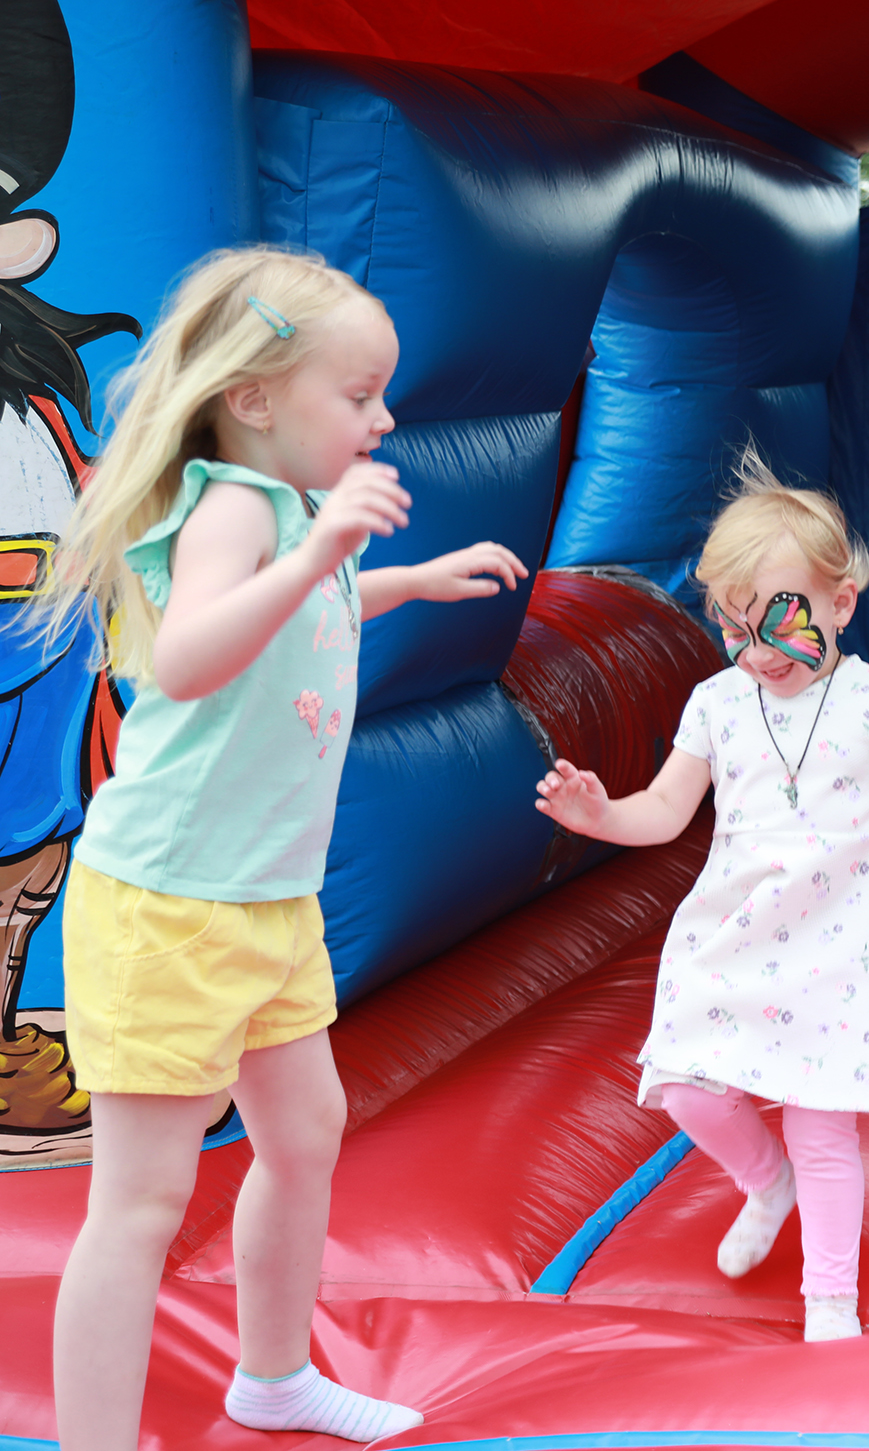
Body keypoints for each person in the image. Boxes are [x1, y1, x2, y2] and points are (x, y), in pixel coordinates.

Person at [32, 246, 530, 1449]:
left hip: (268, 900)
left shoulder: (296, 509)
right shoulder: (235, 509)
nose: (384, 417)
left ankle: (272, 1376)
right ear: (253, 398)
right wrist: (316, 557)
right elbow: (191, 655)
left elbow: (315, 606)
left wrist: (404, 580)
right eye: (358, 394)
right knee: (141, 1199)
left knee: (304, 1136)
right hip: (170, 907)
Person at [535, 452, 869, 1343]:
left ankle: (829, 1302)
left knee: (825, 1134)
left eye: (781, 622)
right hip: (729, 937)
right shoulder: (717, 702)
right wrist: (600, 815)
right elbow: (665, 811)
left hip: (833, 950)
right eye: (736, 628)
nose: (760, 652)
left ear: (840, 604)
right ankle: (765, 1182)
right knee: (686, 1090)